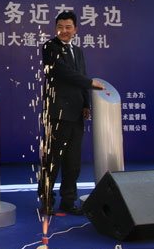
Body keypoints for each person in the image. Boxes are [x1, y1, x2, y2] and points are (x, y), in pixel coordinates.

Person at [38, 11, 105, 216]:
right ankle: (47, 201)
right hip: (57, 113)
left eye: (68, 27)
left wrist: (86, 104)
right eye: (60, 27)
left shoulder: (78, 51)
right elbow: (63, 73)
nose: (64, 31)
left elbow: (81, 75)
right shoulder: (50, 47)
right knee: (52, 161)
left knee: (73, 163)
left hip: (76, 114)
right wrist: (90, 83)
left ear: (75, 29)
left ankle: (68, 201)